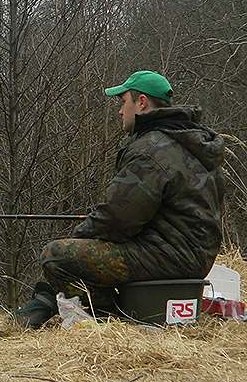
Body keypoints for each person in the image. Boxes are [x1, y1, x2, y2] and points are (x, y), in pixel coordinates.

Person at [16, 70, 226, 328]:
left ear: (141, 103)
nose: (119, 111)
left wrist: (79, 237)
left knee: (56, 255)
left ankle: (109, 319)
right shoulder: (191, 142)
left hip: (170, 257)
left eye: (123, 101)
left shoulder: (150, 149)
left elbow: (117, 219)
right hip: (195, 257)